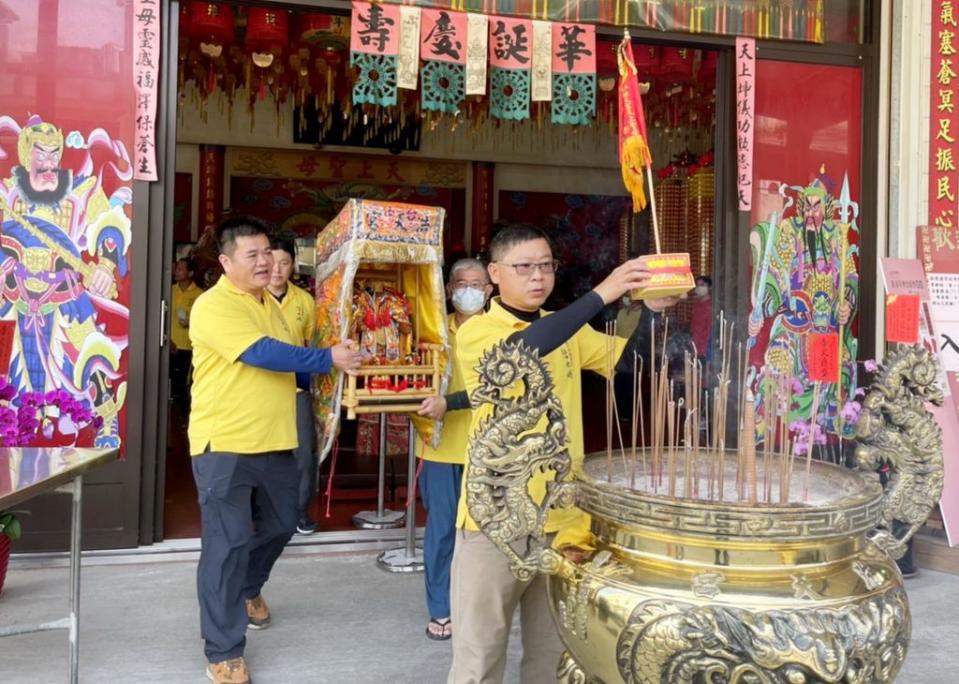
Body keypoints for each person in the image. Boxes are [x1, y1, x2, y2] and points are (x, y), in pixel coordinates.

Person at [449, 225, 677, 683]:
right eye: (524, 267)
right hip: (495, 522)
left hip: (563, 520)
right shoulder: (477, 332)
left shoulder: (568, 331)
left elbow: (627, 362)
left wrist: (651, 313)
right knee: (479, 655)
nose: (538, 276)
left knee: (556, 655)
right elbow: (522, 352)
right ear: (494, 273)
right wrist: (603, 293)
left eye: (546, 265)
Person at [189, 216, 363, 684]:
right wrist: (328, 358)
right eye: (254, 255)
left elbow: (296, 366)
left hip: (277, 437)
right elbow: (263, 353)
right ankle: (224, 650)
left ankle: (247, 588)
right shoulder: (214, 306)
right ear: (226, 262)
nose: (266, 262)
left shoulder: (278, 305)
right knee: (225, 545)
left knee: (286, 521)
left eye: (268, 252)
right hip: (223, 442)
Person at [415, 258, 493, 641]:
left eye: (477, 284)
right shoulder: (431, 330)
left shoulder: (501, 331)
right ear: (448, 289)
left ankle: (478, 606)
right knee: (443, 530)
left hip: (490, 446)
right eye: (461, 283)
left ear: (490, 289)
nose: (469, 291)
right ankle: (441, 608)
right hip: (441, 446)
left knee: (487, 533)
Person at [266, 237, 320, 535]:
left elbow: (313, 344)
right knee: (263, 452)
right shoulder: (251, 297)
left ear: (293, 265)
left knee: (303, 453)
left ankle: (299, 511)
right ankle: (263, 513)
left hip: (296, 388)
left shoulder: (304, 301)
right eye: (272, 263)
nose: (277, 270)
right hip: (259, 390)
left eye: (284, 263)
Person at [170, 256, 202, 419]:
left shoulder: (199, 295)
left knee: (183, 385)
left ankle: (183, 419)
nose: (177, 271)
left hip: (187, 347)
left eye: (181, 269)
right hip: (168, 344)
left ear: (190, 273)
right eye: (177, 268)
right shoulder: (169, 290)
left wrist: (190, 322)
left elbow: (204, 322)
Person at [689, 275, 713, 363]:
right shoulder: (696, 305)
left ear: (709, 288)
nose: (699, 287)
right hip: (695, 346)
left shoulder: (711, 306)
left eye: (702, 285)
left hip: (706, 348)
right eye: (697, 285)